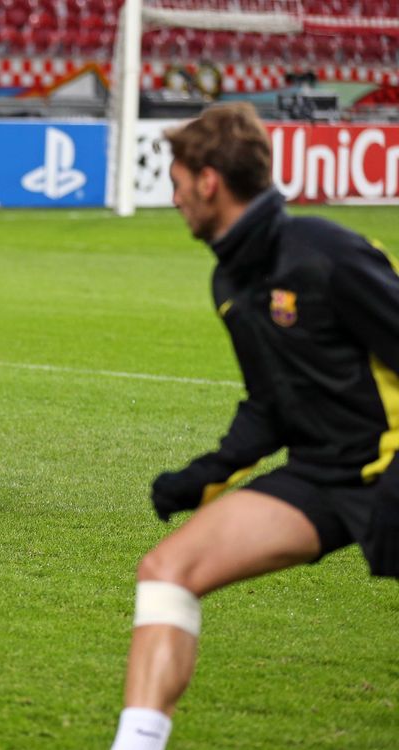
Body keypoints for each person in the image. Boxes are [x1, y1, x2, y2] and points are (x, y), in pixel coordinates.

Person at [111, 102, 399, 750]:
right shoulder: (230, 278)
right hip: (325, 474)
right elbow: (270, 403)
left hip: (393, 462)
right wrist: (207, 475)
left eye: (177, 177)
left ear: (209, 180)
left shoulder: (326, 254)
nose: (174, 193)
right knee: (167, 570)